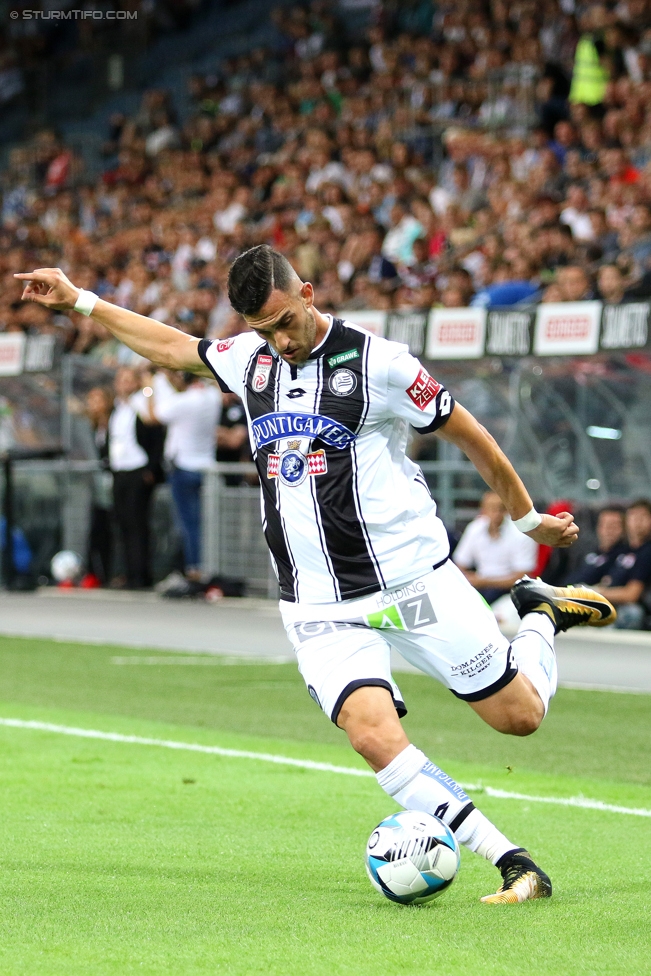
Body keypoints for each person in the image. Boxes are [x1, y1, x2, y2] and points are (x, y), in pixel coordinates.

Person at [15, 250, 616, 905]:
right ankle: (512, 862)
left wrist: (528, 521)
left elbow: (470, 435)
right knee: (371, 735)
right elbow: (170, 346)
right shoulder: (251, 358)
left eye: (283, 322)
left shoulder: (380, 365)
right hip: (319, 606)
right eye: (260, 327)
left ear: (306, 291)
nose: (278, 340)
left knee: (518, 718)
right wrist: (79, 301)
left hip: (410, 584)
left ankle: (540, 614)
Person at [149, 370, 221, 579]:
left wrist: (156, 382)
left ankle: (194, 568)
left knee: (189, 524)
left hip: (183, 467)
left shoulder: (184, 402)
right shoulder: (212, 397)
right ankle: (204, 566)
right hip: (206, 467)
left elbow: (155, 414)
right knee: (206, 522)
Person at [108, 367, 161, 589]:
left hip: (137, 469)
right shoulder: (117, 408)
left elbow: (154, 433)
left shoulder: (142, 402)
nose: (124, 384)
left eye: (129, 380)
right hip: (119, 469)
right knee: (123, 523)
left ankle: (140, 574)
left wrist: (151, 467)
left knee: (137, 523)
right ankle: (128, 572)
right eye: (121, 380)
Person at [453, 492, 538, 605]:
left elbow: (522, 576)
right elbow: (460, 563)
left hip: (510, 591)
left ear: (507, 510)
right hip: (480, 587)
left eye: (501, 509)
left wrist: (483, 581)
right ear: (483, 510)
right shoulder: (475, 528)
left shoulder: (520, 534)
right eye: (491, 509)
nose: (496, 514)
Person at [593, 499, 651, 630]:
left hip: (629, 607)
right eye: (633, 515)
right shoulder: (623, 551)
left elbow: (631, 594)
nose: (637, 521)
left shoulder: (647, 552)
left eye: (643, 516)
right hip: (609, 600)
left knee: (631, 613)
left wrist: (596, 592)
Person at [85, 386, 114, 585]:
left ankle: (110, 572)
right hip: (97, 486)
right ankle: (95, 573)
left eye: (98, 400)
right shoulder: (89, 428)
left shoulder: (115, 423)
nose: (94, 405)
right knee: (97, 528)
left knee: (112, 528)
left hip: (113, 482)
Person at [566, 506, 627, 587]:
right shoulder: (588, 552)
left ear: (623, 529)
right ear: (598, 527)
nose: (609, 530)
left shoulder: (623, 559)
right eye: (605, 524)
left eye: (614, 525)